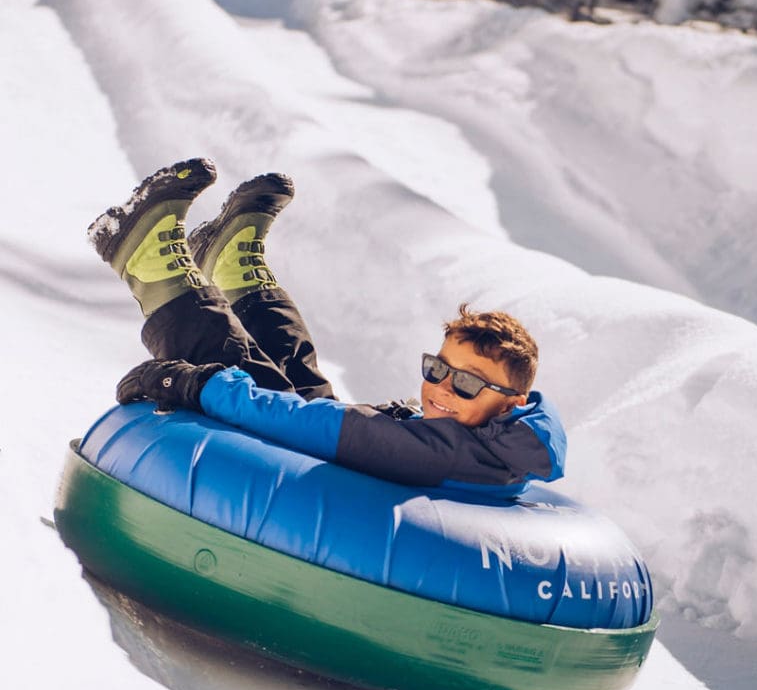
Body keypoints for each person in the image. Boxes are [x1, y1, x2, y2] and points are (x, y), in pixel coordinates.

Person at [88, 159, 566, 497]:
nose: (442, 388)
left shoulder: (442, 452)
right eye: (437, 369)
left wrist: (194, 384)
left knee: (249, 381)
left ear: (512, 401)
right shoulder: (503, 442)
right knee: (300, 372)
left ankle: (145, 260)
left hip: (316, 478)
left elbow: (314, 426)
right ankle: (232, 266)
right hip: (357, 463)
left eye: (465, 384)